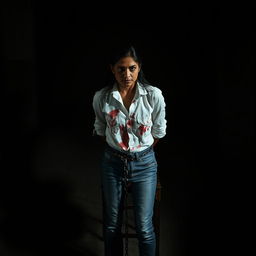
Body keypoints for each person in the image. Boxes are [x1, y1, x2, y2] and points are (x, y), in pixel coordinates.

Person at [92, 44, 167, 256]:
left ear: (139, 68)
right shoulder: (102, 98)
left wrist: (138, 153)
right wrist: (119, 152)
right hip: (112, 164)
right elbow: (100, 129)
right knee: (112, 225)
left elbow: (158, 133)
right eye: (121, 69)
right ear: (112, 69)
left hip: (144, 164)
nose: (127, 74)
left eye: (132, 68)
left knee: (144, 227)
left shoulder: (153, 96)